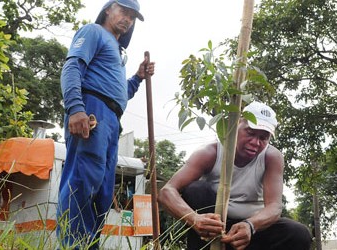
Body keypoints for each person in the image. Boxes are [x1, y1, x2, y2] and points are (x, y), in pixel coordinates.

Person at [57, 0, 155, 248]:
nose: (128, 19)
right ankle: (73, 245)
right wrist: (76, 108)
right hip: (92, 111)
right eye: (124, 11)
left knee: (101, 191)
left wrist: (138, 77)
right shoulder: (94, 32)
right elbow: (71, 68)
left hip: (111, 117)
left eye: (132, 17)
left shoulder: (117, 51)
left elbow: (119, 95)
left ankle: (89, 245)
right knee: (83, 181)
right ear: (108, 9)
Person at [158, 102, 312, 250]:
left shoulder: (271, 157)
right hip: (212, 231)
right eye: (250, 132)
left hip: (250, 231)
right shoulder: (210, 153)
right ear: (237, 124)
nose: (255, 142)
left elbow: (275, 206)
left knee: (298, 234)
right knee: (196, 190)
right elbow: (166, 192)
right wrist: (195, 219)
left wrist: (250, 226)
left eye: (263, 138)